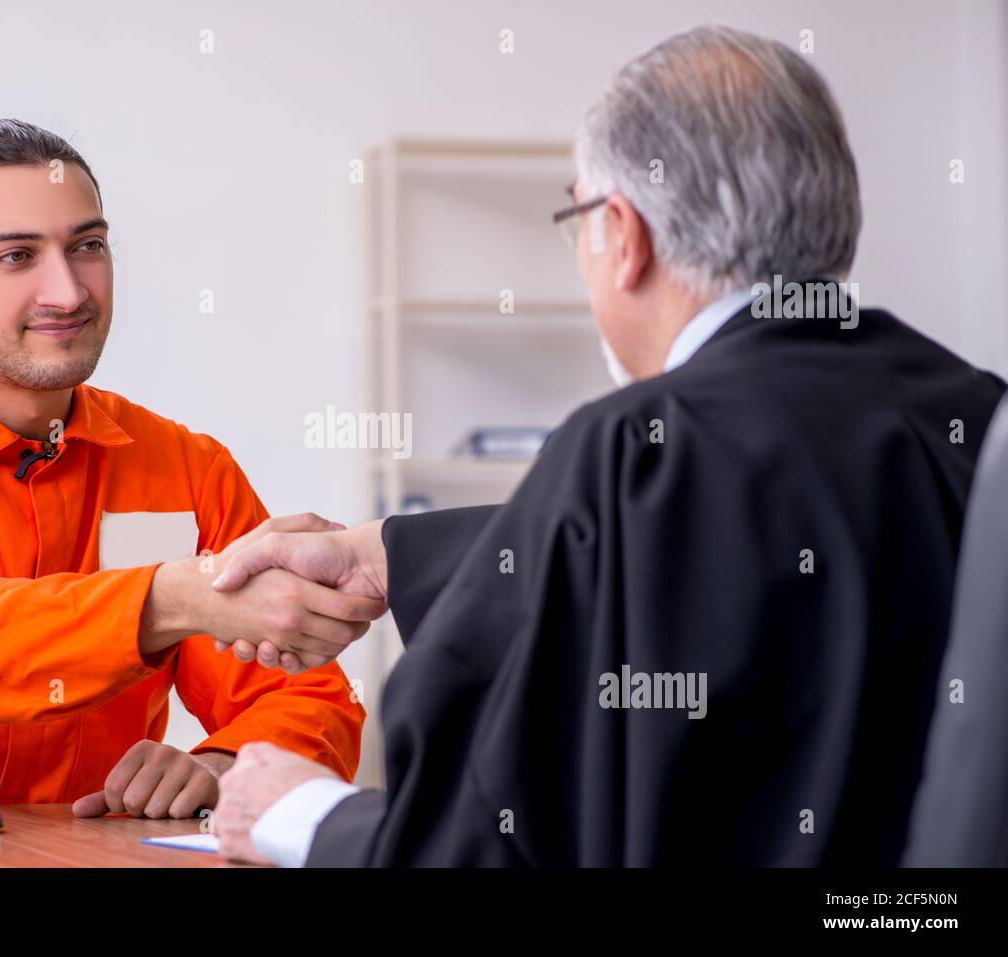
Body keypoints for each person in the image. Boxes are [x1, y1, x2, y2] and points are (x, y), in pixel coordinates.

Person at [209, 26, 1006, 865]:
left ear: (623, 236)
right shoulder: (976, 414)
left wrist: (304, 815)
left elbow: (496, 842)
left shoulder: (635, 450)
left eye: (578, 218)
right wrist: (386, 555)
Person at [0, 118, 384, 815]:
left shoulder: (186, 469)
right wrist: (170, 598)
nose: (68, 291)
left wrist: (228, 761)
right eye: (18, 256)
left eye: (87, 246)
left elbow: (306, 692)